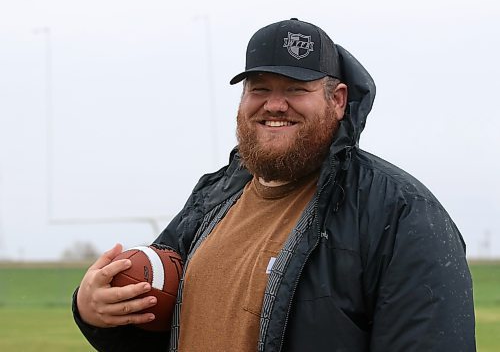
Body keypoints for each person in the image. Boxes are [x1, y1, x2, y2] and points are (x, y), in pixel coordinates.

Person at [73, 18, 476, 351]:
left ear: (337, 99)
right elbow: (153, 319)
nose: (275, 104)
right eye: (259, 88)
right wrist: (95, 311)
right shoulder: (212, 197)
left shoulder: (402, 212)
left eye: (296, 89)